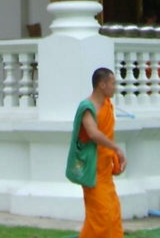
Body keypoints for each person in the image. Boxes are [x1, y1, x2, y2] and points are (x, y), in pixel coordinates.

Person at [66, 67, 126, 238]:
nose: (115, 87)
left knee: (113, 214)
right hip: (92, 171)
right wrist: (116, 148)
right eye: (112, 83)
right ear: (102, 84)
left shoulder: (107, 106)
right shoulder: (87, 107)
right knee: (100, 217)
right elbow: (93, 133)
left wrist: (114, 155)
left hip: (105, 170)